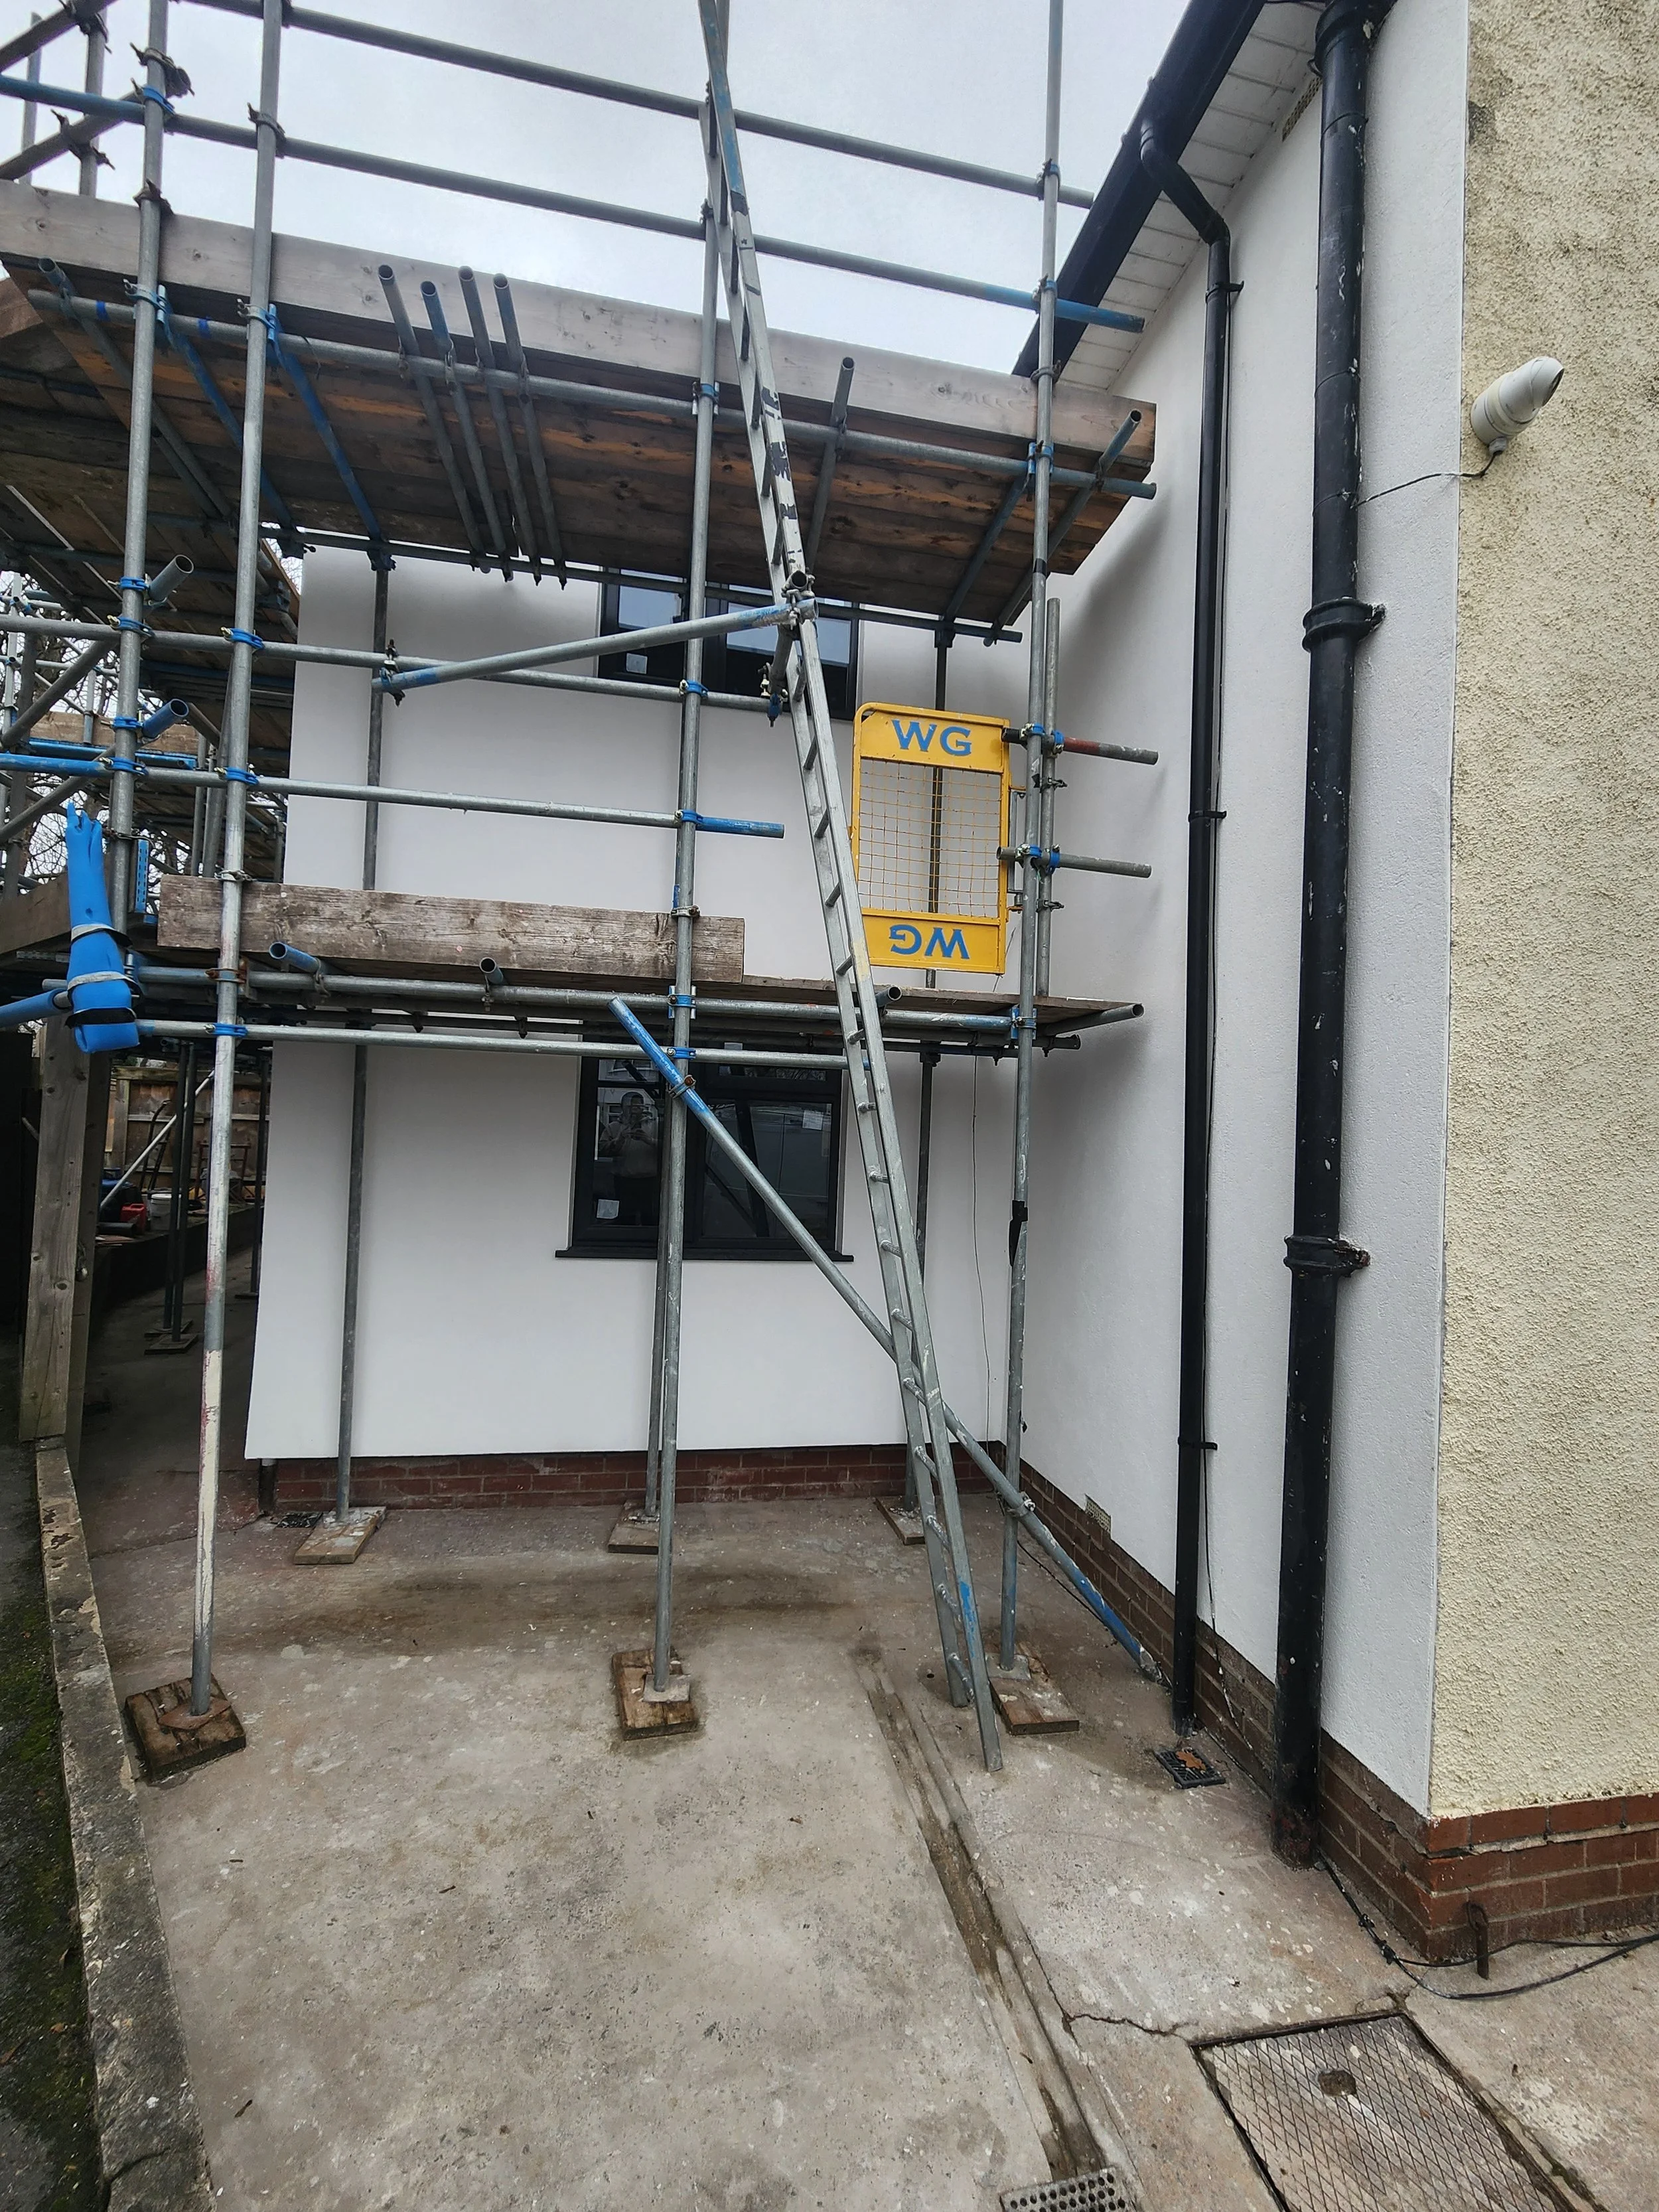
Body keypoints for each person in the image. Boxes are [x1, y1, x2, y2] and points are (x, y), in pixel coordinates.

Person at [599, 1088, 660, 1226]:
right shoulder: (613, 1127)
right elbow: (601, 1150)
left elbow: (670, 1148)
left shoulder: (655, 1125)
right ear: (623, 1108)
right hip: (623, 1180)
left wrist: (649, 1140)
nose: (635, 1109)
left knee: (649, 1218)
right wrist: (619, 1140)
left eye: (639, 1105)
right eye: (631, 1106)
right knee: (625, 1218)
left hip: (649, 1181)